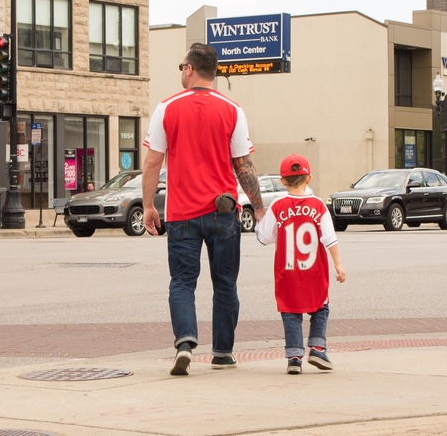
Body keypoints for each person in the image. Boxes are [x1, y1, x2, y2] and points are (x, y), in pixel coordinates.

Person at [142, 42, 265, 376]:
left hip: (181, 213)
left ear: (190, 69)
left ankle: (185, 341)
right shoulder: (232, 109)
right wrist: (259, 207)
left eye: (182, 66)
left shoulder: (166, 108)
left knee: (182, 282)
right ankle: (223, 353)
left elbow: (153, 162)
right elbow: (243, 164)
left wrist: (149, 205)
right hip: (223, 211)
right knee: (225, 284)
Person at [255, 154, 346, 374]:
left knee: (290, 311)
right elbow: (330, 238)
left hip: (287, 272)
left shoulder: (278, 205)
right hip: (315, 271)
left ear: (282, 181)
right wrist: (338, 264)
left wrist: (261, 224)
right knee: (321, 307)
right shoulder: (318, 205)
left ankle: (294, 357)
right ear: (309, 178)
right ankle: (317, 347)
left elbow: (264, 238)